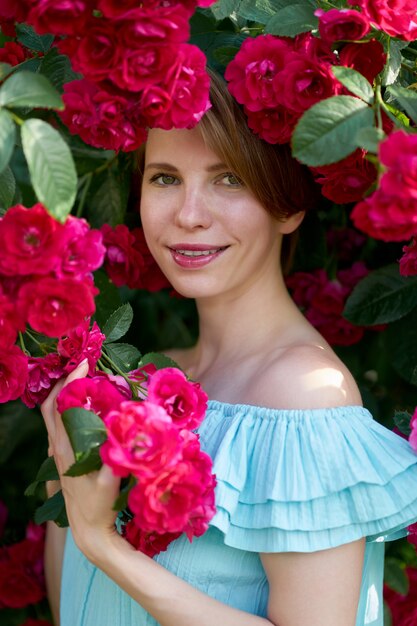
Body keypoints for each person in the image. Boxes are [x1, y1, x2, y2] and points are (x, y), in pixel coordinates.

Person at [41, 70, 417, 626]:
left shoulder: (307, 398)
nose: (189, 214)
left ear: (288, 206)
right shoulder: (139, 382)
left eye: (230, 179)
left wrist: (103, 542)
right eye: (165, 178)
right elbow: (75, 600)